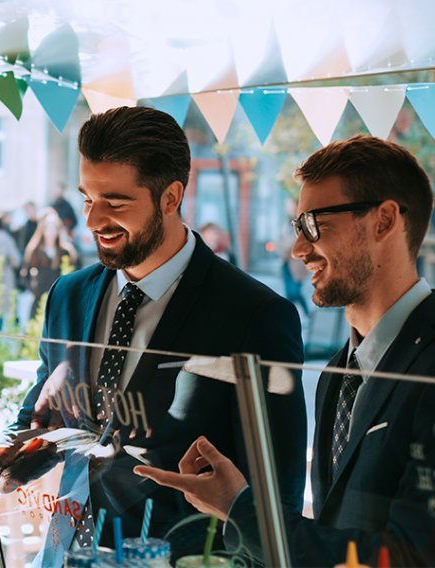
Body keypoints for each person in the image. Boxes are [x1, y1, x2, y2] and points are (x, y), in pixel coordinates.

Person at [0, 107, 307, 563]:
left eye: (115, 203)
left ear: (171, 196)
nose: (93, 220)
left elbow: (276, 501)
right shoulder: (68, 294)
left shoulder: (255, 315)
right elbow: (46, 418)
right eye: (87, 199)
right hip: (64, 553)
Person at [135, 135, 435, 567]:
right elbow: (338, 533)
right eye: (298, 227)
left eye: (315, 225)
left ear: (385, 220)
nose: (298, 249)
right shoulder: (341, 370)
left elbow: (409, 558)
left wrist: (240, 509)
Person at [23, 209, 78, 318]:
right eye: (48, 228)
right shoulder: (34, 250)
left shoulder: (66, 251)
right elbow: (25, 273)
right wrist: (34, 289)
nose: (51, 231)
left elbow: (75, 273)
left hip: (59, 301)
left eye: (54, 228)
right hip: (39, 301)